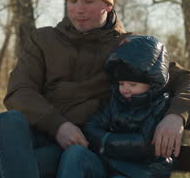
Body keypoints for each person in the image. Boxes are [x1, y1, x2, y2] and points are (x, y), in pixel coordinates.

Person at [0, 0, 190, 178]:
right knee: (8, 121)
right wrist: (58, 126)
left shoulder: (129, 47)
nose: (79, 9)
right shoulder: (43, 40)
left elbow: (189, 81)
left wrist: (176, 115)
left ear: (108, 6)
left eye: (88, 1)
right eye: (73, 0)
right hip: (42, 136)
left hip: (83, 149)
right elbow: (19, 91)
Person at [57, 35, 176, 178]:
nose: (125, 89)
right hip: (109, 164)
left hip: (142, 171)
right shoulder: (116, 101)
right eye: (121, 83)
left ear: (152, 83)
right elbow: (91, 126)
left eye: (133, 84)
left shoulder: (161, 105)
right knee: (75, 153)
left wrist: (104, 141)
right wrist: (106, 142)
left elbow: (144, 144)